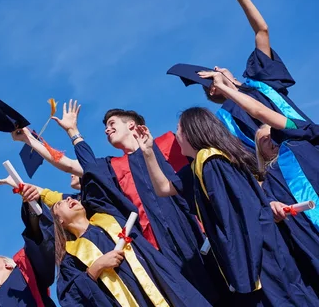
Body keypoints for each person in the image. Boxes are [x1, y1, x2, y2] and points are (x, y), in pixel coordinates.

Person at [13, 100, 220, 304]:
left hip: (194, 229)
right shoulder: (112, 167)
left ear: (131, 124)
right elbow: (68, 164)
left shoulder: (167, 142)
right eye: (105, 127)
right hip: (154, 249)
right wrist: (33, 140)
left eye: (112, 124)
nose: (106, 130)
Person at [136, 105, 319, 305]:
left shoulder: (212, 160)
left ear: (192, 131)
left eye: (179, 129)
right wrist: (148, 151)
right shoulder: (198, 166)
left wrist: (241, 262)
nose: (176, 135)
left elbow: (241, 212)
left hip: (257, 252)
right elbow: (163, 188)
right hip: (254, 253)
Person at [168, 0, 313, 150]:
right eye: (214, 72)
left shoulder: (261, 82)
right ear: (213, 89)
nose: (218, 68)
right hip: (285, 171)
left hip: (310, 143)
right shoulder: (224, 121)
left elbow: (262, 31)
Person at [199, 69, 319, 294]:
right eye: (264, 139)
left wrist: (226, 85)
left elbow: (258, 110)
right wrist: (273, 207)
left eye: (273, 134)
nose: (271, 139)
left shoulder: (298, 138)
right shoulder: (270, 182)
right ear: (259, 152)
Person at [25, 167, 214, 306]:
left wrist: (73, 133)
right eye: (59, 205)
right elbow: (71, 298)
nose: (69, 199)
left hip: (165, 290)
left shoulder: (111, 217)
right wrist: (95, 269)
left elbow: (95, 180)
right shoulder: (71, 257)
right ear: (60, 222)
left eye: (71, 198)